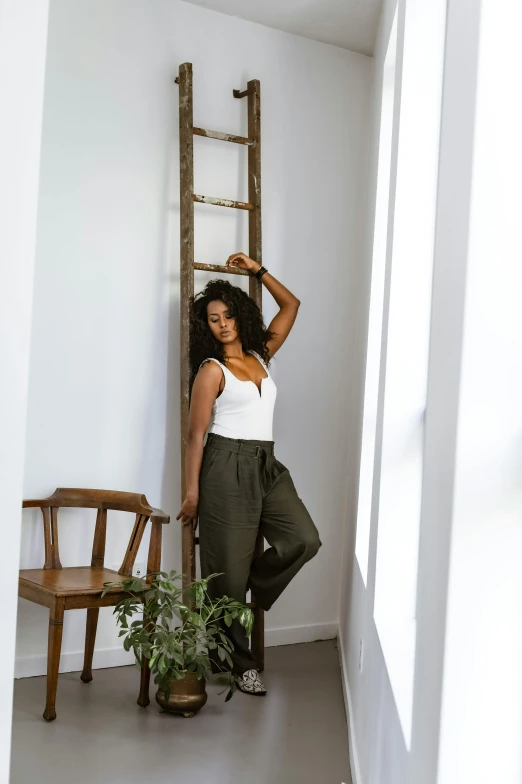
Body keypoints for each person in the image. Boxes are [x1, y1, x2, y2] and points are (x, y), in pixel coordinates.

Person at [176, 252, 322, 695]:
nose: (222, 324)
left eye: (227, 315)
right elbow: (196, 436)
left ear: (240, 315)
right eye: (213, 319)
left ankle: (246, 590)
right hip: (225, 465)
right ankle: (242, 666)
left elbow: (292, 305)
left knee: (303, 539)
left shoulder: (262, 355)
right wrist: (192, 493)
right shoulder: (211, 371)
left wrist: (257, 270)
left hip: (266, 463)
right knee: (225, 575)